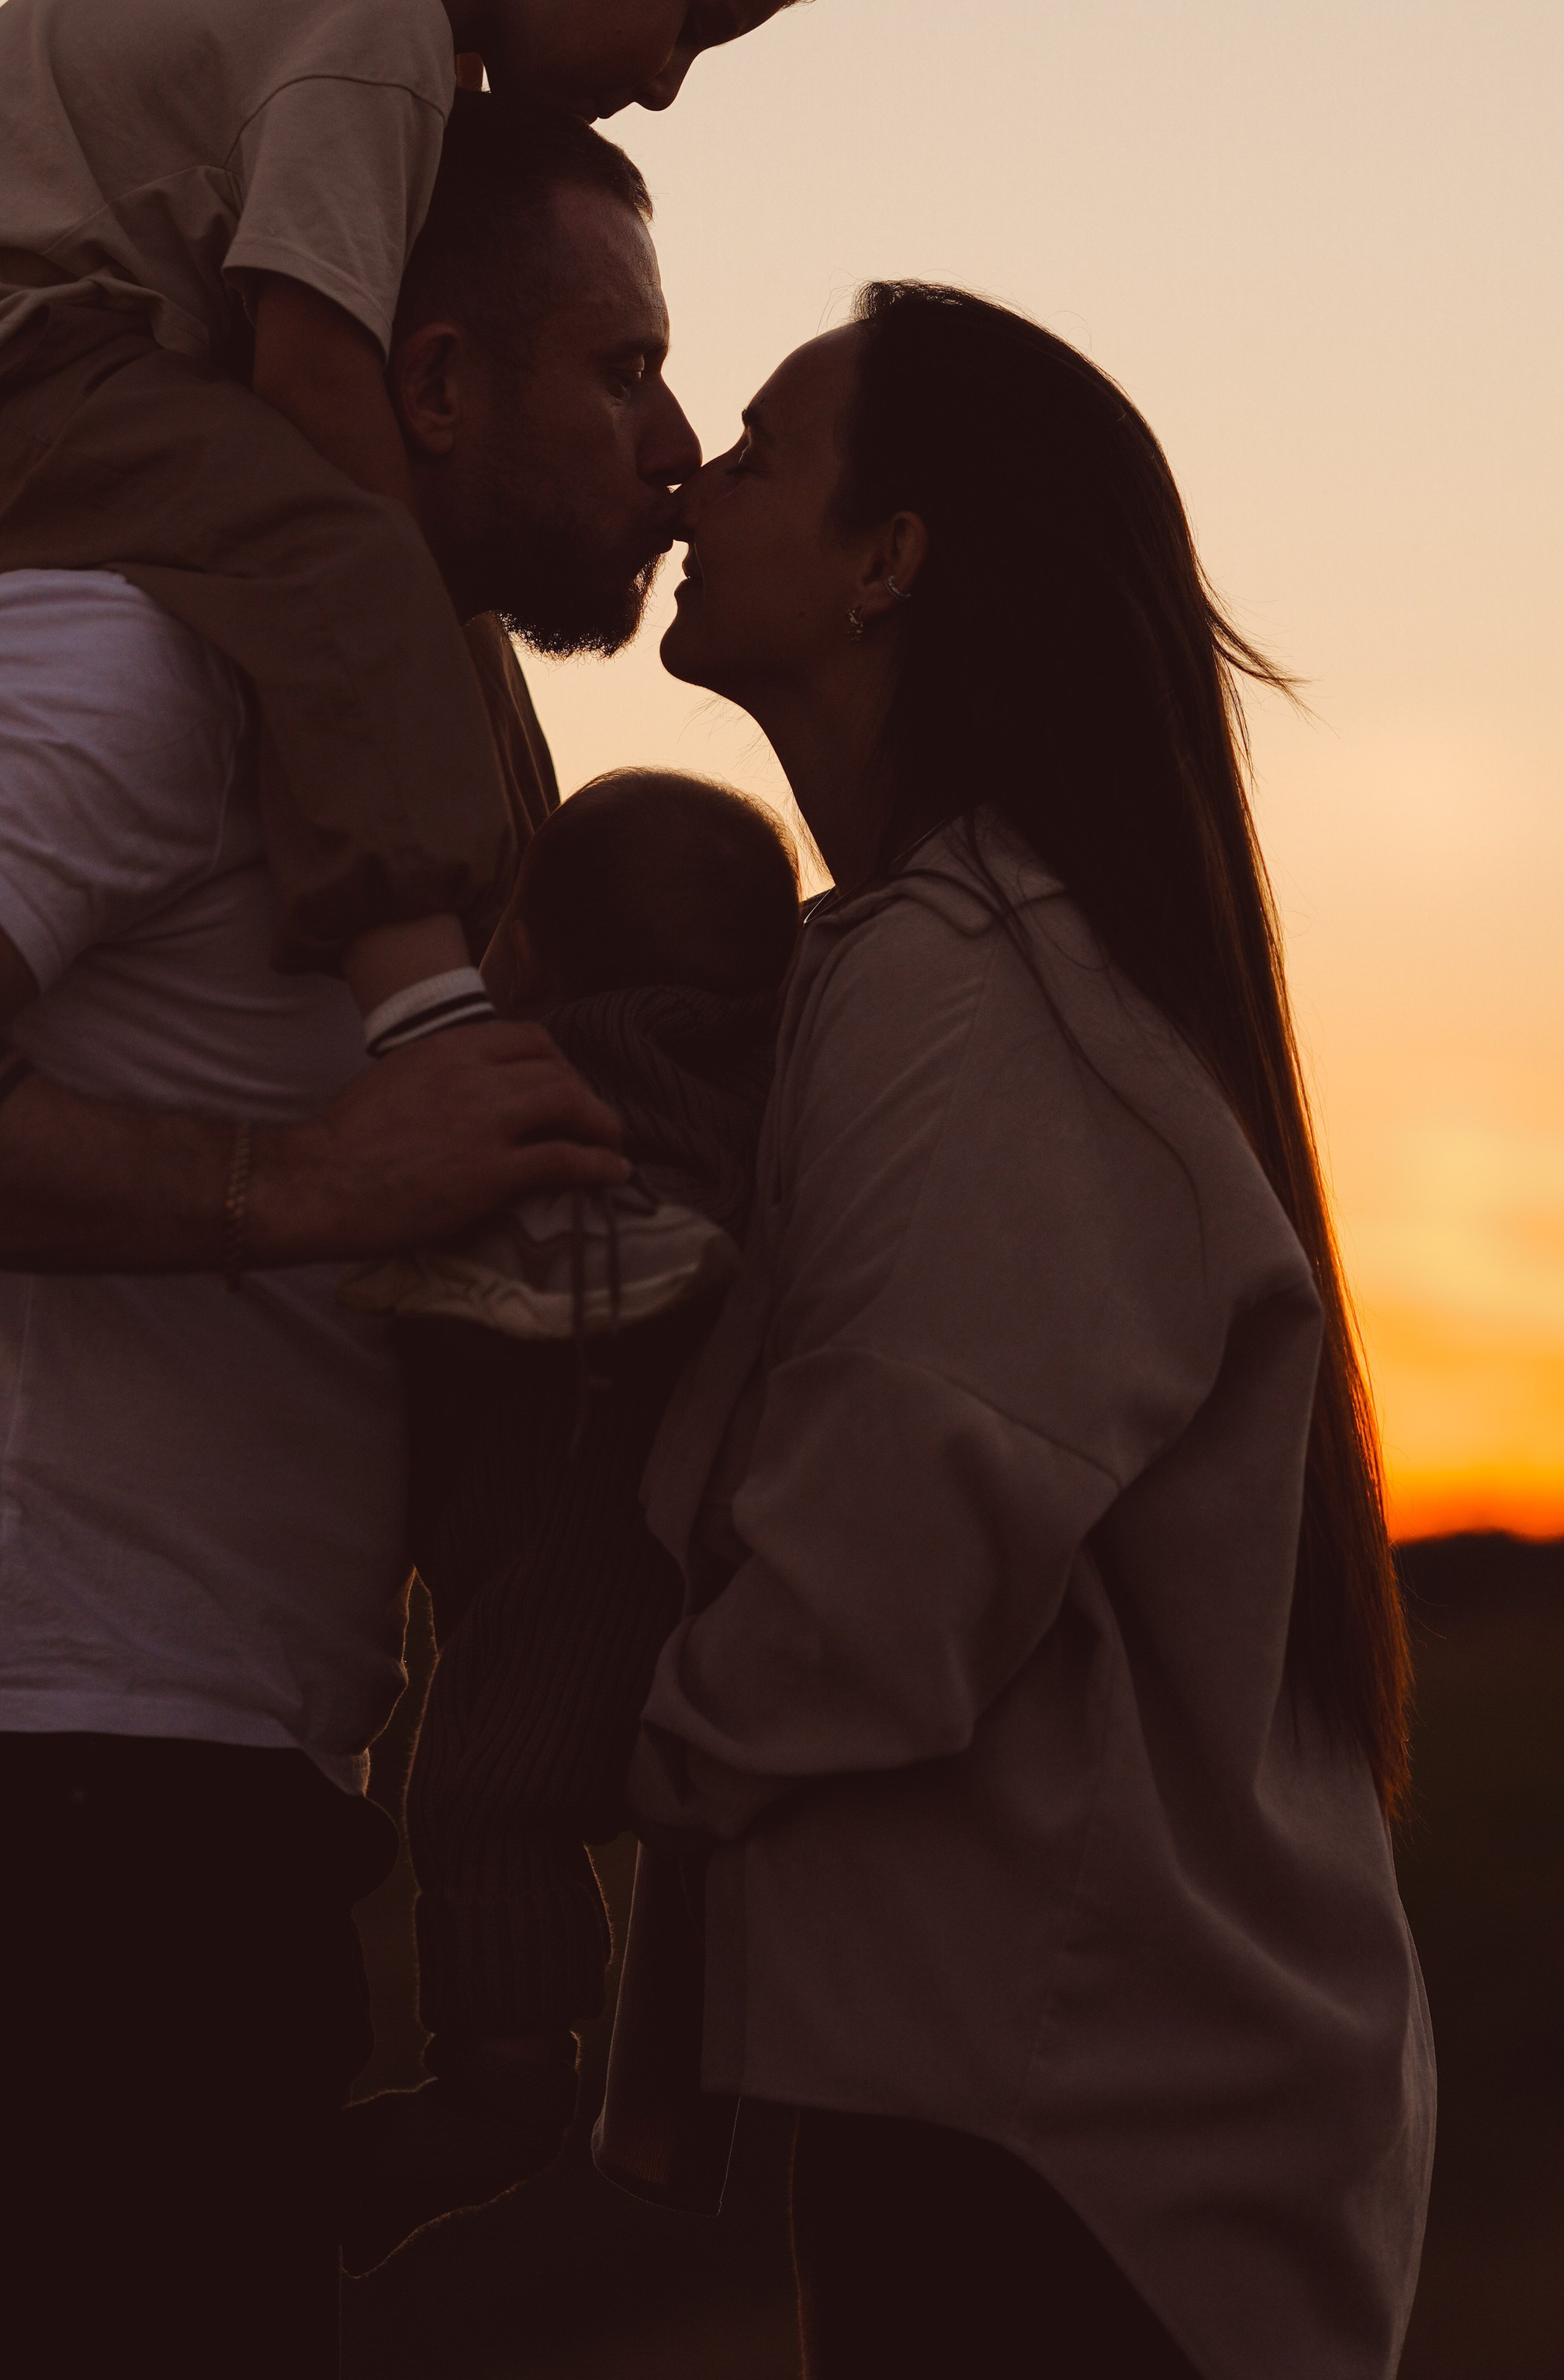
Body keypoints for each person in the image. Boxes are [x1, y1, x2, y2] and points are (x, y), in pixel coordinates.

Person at [0, 96, 694, 2380]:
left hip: (194, 1802)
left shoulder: (424, 717)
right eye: (622, 371)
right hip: (16, 1828)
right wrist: (302, 1190)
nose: (678, 445)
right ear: (427, 384)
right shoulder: (121, 644)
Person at [600, 284, 1434, 2378]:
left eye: (769, 452)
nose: (698, 474)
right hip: (1063, 2110)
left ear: (895, 561)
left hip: (1065, 2152)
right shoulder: (966, 960)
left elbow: (893, 1558)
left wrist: (624, 1753)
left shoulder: (973, 981)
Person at [0, 0, 845, 1279]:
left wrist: (431, 658)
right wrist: (392, 623)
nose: (661, 80)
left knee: (423, 622)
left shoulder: (379, 10)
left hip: (61, 370)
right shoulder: (370, 28)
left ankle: (525, 1014)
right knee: (354, 571)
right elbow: (309, 361)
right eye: (689, 20)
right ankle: (434, 1045)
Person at [337, 770, 801, 2273]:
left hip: (558, 1554)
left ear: (524, 951)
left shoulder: (535, 1085)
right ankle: (646, 2102)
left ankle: (499, 2096)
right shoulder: (769, 1091)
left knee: (484, 1793)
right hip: (699, 1580)